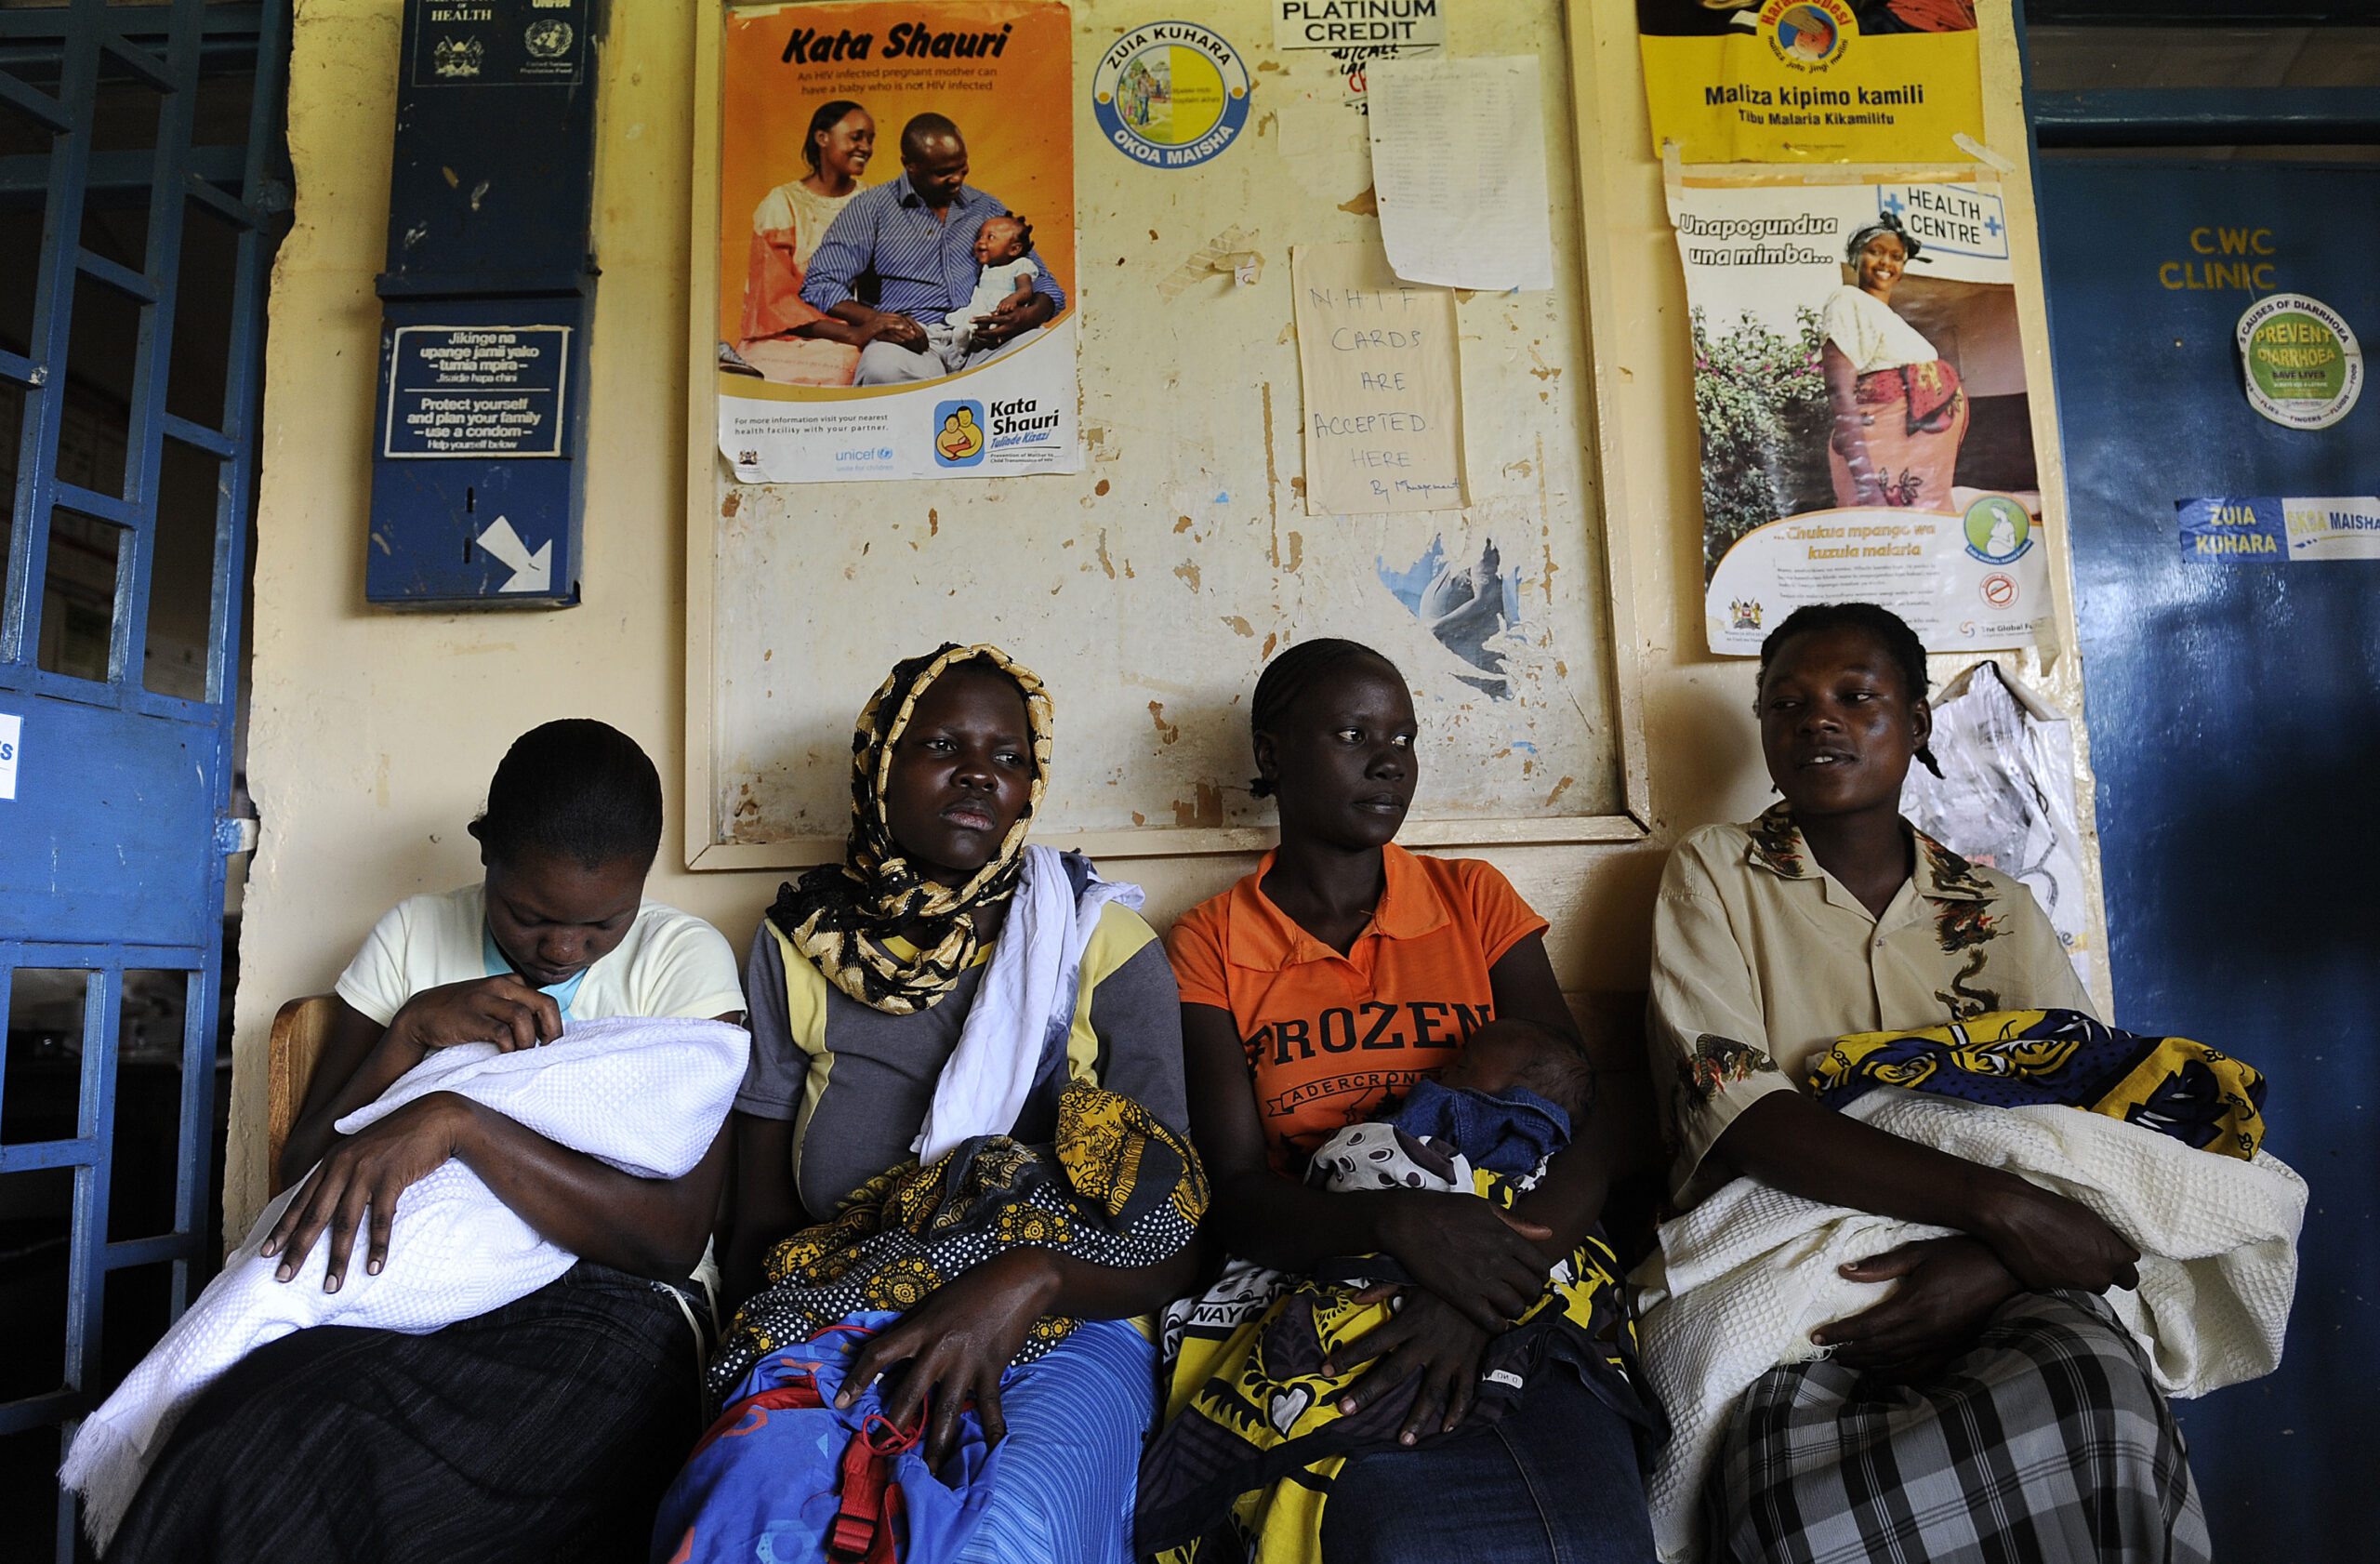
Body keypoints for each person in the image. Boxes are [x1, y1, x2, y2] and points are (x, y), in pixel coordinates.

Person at [106, 720, 748, 1563]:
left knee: (423, 1484)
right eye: (528, 915)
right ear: (485, 852)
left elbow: (671, 1239)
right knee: (245, 1438)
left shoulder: (682, 961)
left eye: (602, 927)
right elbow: (300, 1177)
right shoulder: (413, 936)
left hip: (611, 1304)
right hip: (397, 1282)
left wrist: (458, 1122)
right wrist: (409, 1032)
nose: (561, 949)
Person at [1646, 602, 2207, 1562]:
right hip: (1796, 1247)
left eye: (1856, 697)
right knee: (1785, 1479)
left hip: (1987, 1258)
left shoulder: (1998, 908)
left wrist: (1996, 1255)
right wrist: (1999, 1208)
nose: (1817, 719)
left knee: (2094, 1395)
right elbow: (1739, 1112)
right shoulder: (1715, 873)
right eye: (1786, 703)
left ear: (1915, 723)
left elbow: (2084, 1119)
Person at [672, 643, 1195, 1564]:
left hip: (1063, 1315)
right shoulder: (798, 943)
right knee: (751, 1514)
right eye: (942, 743)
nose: (977, 774)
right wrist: (790, 1369)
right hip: (836, 1304)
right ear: (878, 764)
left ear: (1031, 786)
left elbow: (1175, 1236)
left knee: (993, 1534)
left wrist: (1027, 1276)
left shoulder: (1094, 938)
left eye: (1006, 755)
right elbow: (757, 1217)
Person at [1159, 638, 1659, 1564]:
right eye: (1353, 733)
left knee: (1594, 1533)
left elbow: (1583, 1121)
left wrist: (1481, 1288)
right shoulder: (1211, 942)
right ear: (1272, 756)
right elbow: (1231, 1186)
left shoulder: (1471, 897)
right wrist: (1395, 1224)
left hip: (1520, 1245)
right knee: (1404, 1529)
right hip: (1328, 1254)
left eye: (1405, 736)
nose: (1390, 758)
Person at [800, 113, 1067, 386]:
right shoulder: (870, 209)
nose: (956, 180)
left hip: (982, 338)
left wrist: (1028, 316)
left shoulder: (986, 207)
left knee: (1043, 353)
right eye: (943, 173)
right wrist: (879, 320)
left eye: (962, 169)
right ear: (910, 166)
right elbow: (820, 283)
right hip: (910, 343)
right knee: (882, 369)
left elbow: (1042, 280)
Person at [1820, 211, 1968, 510]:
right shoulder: (1848, 300)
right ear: (1855, 256)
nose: (1886, 263)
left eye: (1896, 256)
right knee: (1884, 538)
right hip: (1883, 458)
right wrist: (1867, 487)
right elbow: (1839, 390)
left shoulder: (1893, 320)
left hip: (1920, 462)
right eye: (1875, 252)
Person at [735, 99, 880, 352]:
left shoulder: (874, 201)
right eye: (856, 137)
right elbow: (773, 301)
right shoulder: (781, 204)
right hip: (787, 335)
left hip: (865, 334)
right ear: (822, 137)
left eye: (870, 140)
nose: (866, 148)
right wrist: (851, 334)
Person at [924, 215, 1039, 369]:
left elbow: (1025, 289)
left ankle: (960, 351)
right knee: (960, 323)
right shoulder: (987, 268)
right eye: (979, 237)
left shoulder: (1021, 265)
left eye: (990, 237)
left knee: (980, 329)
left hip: (999, 312)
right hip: (978, 308)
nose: (981, 242)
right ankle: (952, 344)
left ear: (1014, 249)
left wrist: (1013, 298)